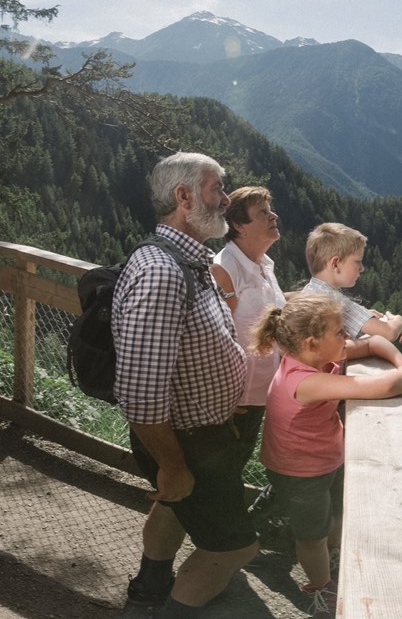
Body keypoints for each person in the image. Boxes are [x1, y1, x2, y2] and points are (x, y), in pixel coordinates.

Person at [113, 152, 258, 617]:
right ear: (184, 197)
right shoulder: (162, 272)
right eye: (218, 188)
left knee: (174, 508)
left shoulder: (190, 261)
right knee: (233, 548)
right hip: (187, 442)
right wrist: (173, 464)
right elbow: (140, 392)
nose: (226, 199)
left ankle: (147, 593)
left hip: (198, 433)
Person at [252, 293, 402, 615]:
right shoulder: (305, 381)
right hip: (300, 472)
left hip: (324, 458)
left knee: (336, 510)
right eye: (340, 332)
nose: (347, 336)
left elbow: (375, 343)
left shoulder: (316, 357)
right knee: (311, 536)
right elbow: (385, 387)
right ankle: (323, 589)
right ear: (312, 343)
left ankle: (331, 554)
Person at [210, 186, 286, 473]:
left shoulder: (263, 264)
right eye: (263, 212)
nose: (273, 216)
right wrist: (221, 400)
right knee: (218, 475)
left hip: (256, 395)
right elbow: (211, 337)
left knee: (230, 469)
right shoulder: (224, 269)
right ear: (239, 225)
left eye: (270, 209)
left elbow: (270, 306)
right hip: (233, 401)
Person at [302, 222, 402, 342]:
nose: (362, 268)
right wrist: (399, 320)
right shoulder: (335, 302)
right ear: (335, 264)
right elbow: (389, 332)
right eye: (358, 261)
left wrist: (363, 317)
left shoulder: (309, 292)